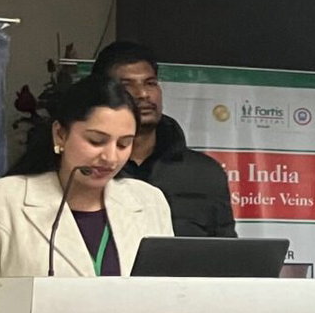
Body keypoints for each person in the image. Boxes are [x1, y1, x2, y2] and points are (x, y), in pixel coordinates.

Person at [0, 73, 172, 313]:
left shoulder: (149, 202)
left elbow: (171, 299)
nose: (110, 157)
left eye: (124, 144)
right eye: (96, 141)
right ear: (60, 134)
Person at [89, 40, 237, 239]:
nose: (143, 94)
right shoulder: (90, 169)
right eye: (127, 86)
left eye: (150, 83)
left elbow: (225, 250)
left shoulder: (204, 173)